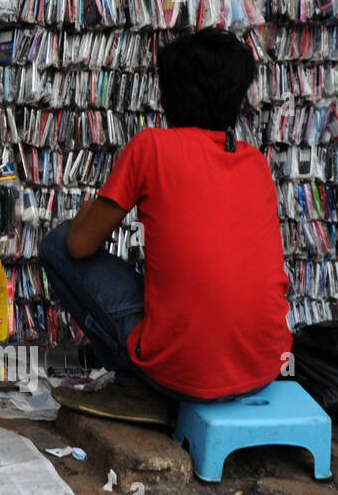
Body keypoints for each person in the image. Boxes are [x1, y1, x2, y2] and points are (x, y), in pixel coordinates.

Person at [39, 29, 292, 425]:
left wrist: (88, 209)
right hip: (265, 368)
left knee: (54, 244)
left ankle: (134, 383)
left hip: (182, 376)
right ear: (238, 100)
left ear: (167, 95)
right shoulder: (255, 163)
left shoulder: (151, 147)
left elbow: (79, 244)